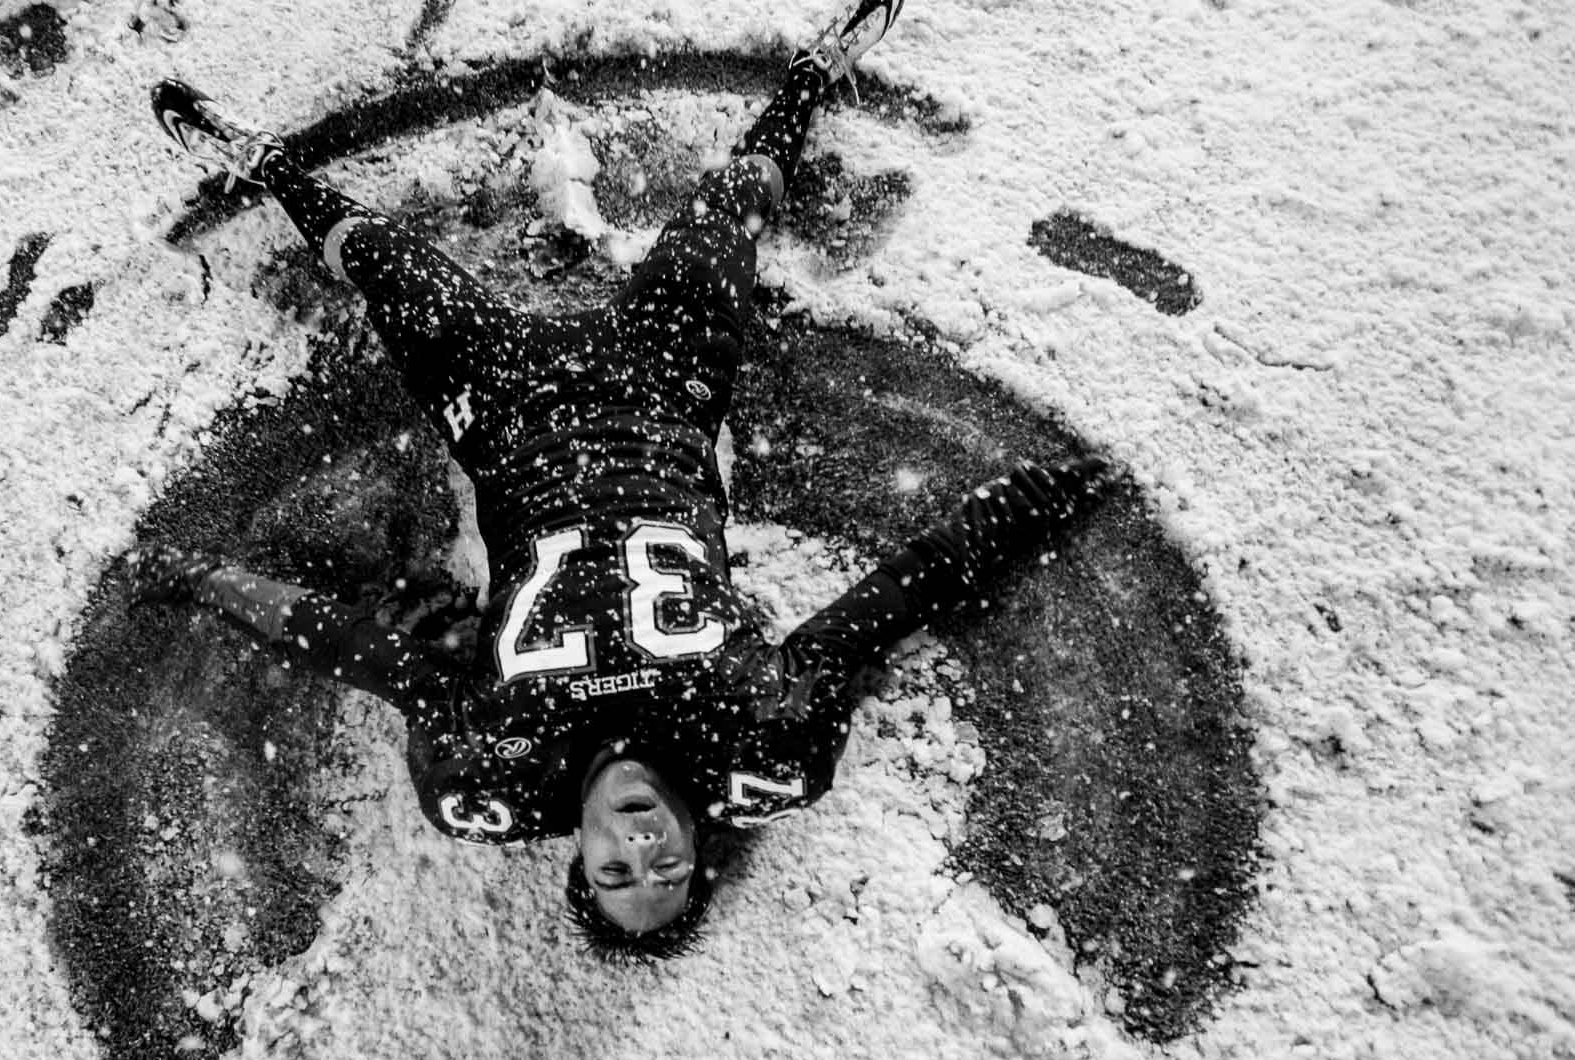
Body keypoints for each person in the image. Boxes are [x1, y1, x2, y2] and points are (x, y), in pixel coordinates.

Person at [129, 0, 1110, 958]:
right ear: (700, 851)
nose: (642, 848)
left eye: (615, 873)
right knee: (736, 207)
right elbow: (894, 599)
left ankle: (267, 163)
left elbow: (354, 646)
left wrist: (207, 580)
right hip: (662, 391)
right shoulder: (760, 738)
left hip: (511, 413)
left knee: (380, 264)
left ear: (577, 862)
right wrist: (1031, 505)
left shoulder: (498, 767)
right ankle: (813, 77)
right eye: (668, 871)